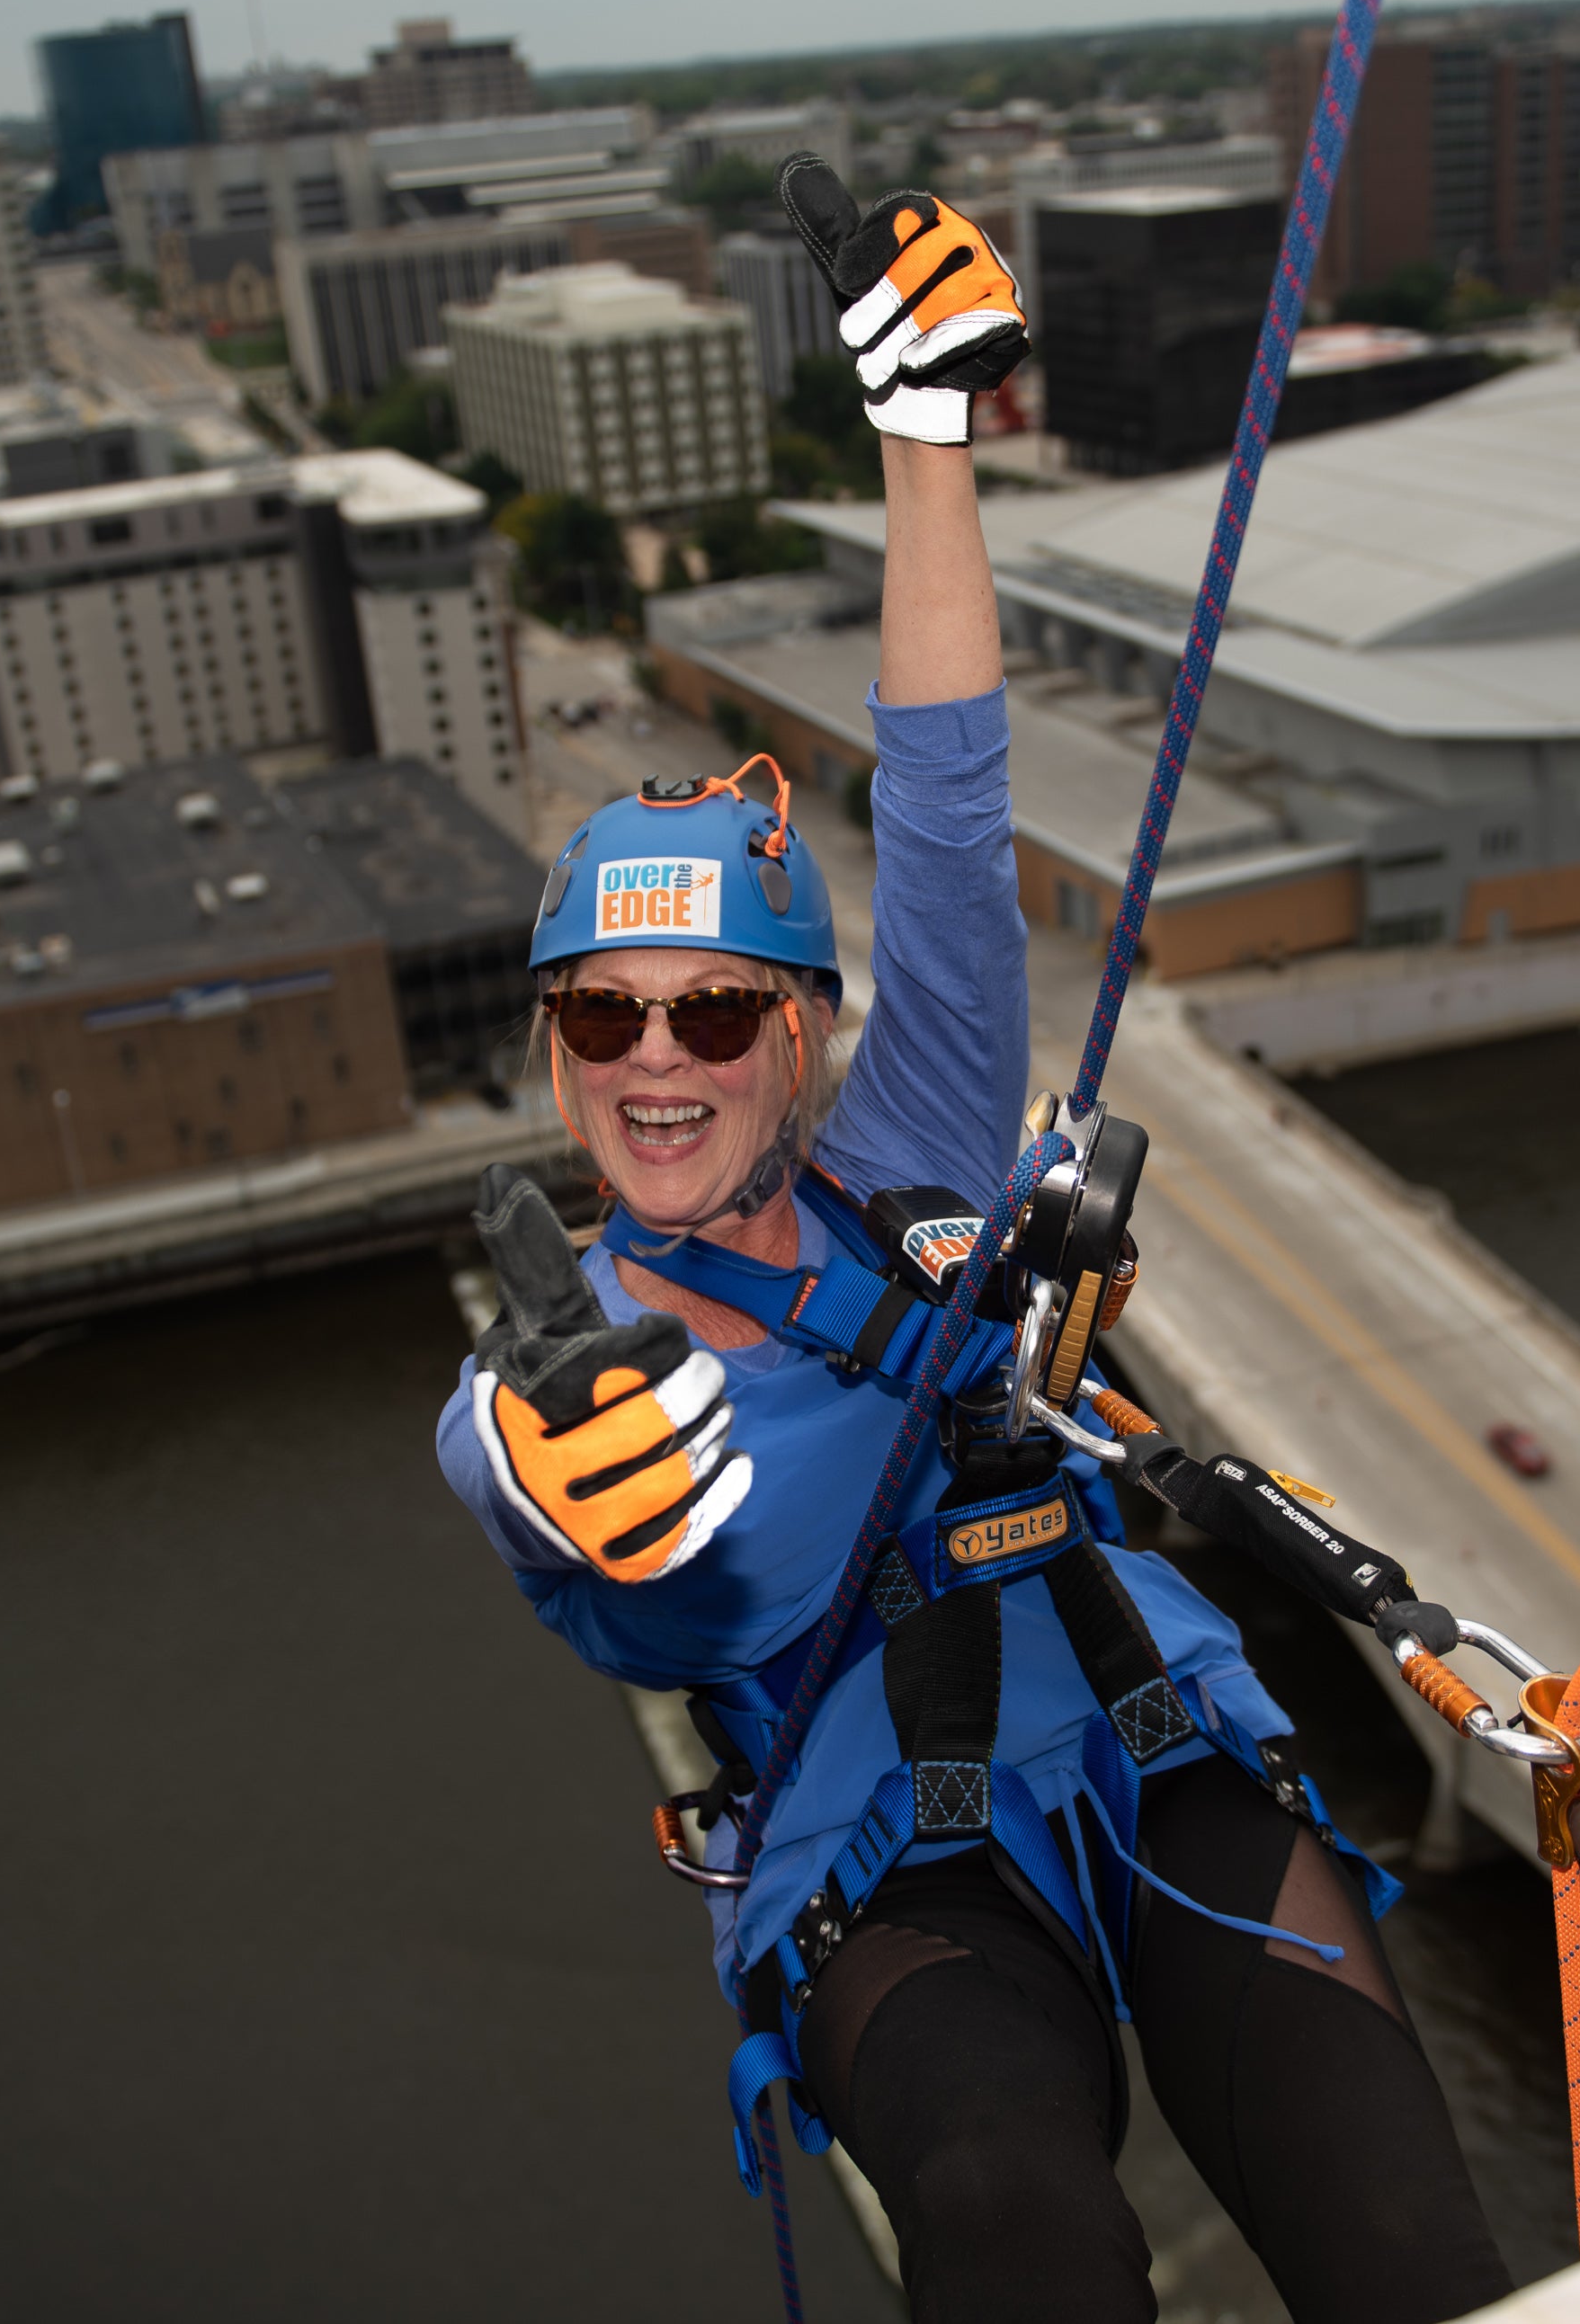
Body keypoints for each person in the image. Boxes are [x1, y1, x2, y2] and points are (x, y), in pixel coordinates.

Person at [436, 161, 1514, 2324]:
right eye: (602, 1021)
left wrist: (926, 440)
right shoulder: (556, 1385)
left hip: (1149, 1727)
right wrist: (559, 1502)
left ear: (801, 1036)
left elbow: (940, 802)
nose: (657, 1063)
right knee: (1016, 2224)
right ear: (553, 1055)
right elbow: (581, 1546)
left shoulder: (915, 1132)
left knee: (1403, 2248)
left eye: (714, 1013)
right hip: (884, 1852)